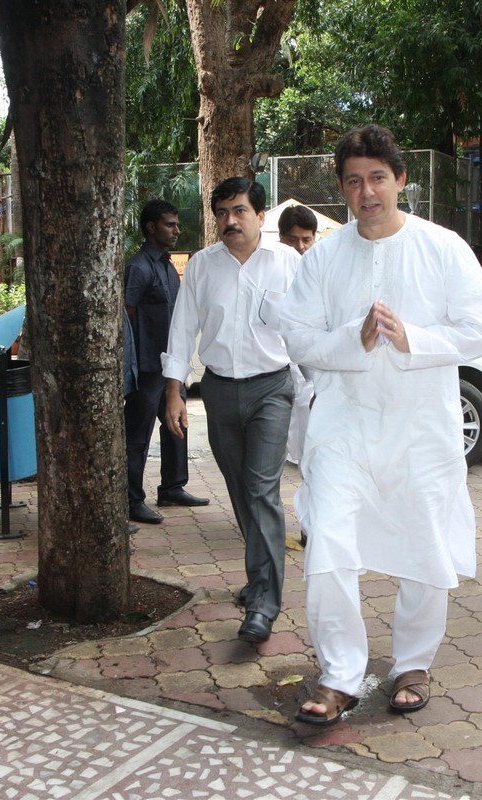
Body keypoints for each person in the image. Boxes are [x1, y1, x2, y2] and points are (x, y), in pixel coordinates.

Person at [278, 124, 482, 726]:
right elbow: (296, 335)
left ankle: (412, 663)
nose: (367, 191)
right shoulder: (323, 257)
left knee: (423, 545)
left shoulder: (444, 247)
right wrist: (354, 340)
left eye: (378, 177)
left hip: (421, 426)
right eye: (354, 181)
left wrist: (414, 338)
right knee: (328, 543)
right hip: (345, 426)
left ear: (401, 179)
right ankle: (340, 674)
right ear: (343, 190)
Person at [162, 177, 298, 644]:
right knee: (240, 490)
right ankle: (260, 575)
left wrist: (314, 389)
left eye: (239, 211)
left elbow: (306, 330)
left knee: (261, 488)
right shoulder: (202, 266)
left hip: (271, 390)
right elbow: (182, 331)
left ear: (261, 216)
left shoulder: (288, 264)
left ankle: (263, 603)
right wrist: (173, 393)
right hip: (218, 391)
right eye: (221, 212)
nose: (229, 221)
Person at [123, 199, 208, 526]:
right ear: (151, 227)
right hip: (146, 368)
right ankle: (132, 500)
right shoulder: (139, 266)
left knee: (178, 426)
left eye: (176, 224)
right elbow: (126, 314)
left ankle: (172, 487)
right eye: (169, 224)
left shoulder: (167, 265)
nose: (176, 230)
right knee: (138, 437)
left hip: (170, 366)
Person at [276, 204, 319, 468]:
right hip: (282, 361)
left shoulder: (322, 267)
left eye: (306, 239)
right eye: (293, 239)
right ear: (281, 238)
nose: (300, 246)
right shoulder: (274, 268)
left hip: (314, 359)